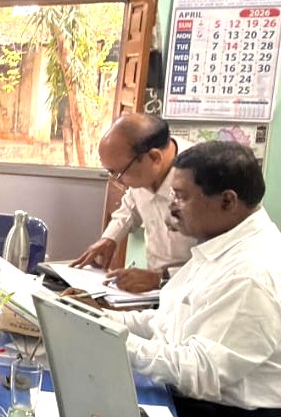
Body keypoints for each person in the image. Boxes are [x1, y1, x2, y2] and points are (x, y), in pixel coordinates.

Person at [107, 141, 281, 417]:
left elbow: (201, 372)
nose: (172, 206)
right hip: (208, 405)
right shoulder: (221, 246)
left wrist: (114, 340)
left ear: (227, 201)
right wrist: (97, 320)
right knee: (99, 403)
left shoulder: (253, 273)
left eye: (182, 196)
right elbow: (167, 321)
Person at [71, 113, 195, 293]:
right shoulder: (141, 167)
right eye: (110, 172)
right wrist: (110, 238)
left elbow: (218, 256)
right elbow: (131, 205)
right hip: (156, 292)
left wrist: (160, 279)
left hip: (194, 294)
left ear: (154, 158)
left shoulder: (200, 177)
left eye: (119, 173)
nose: (117, 180)